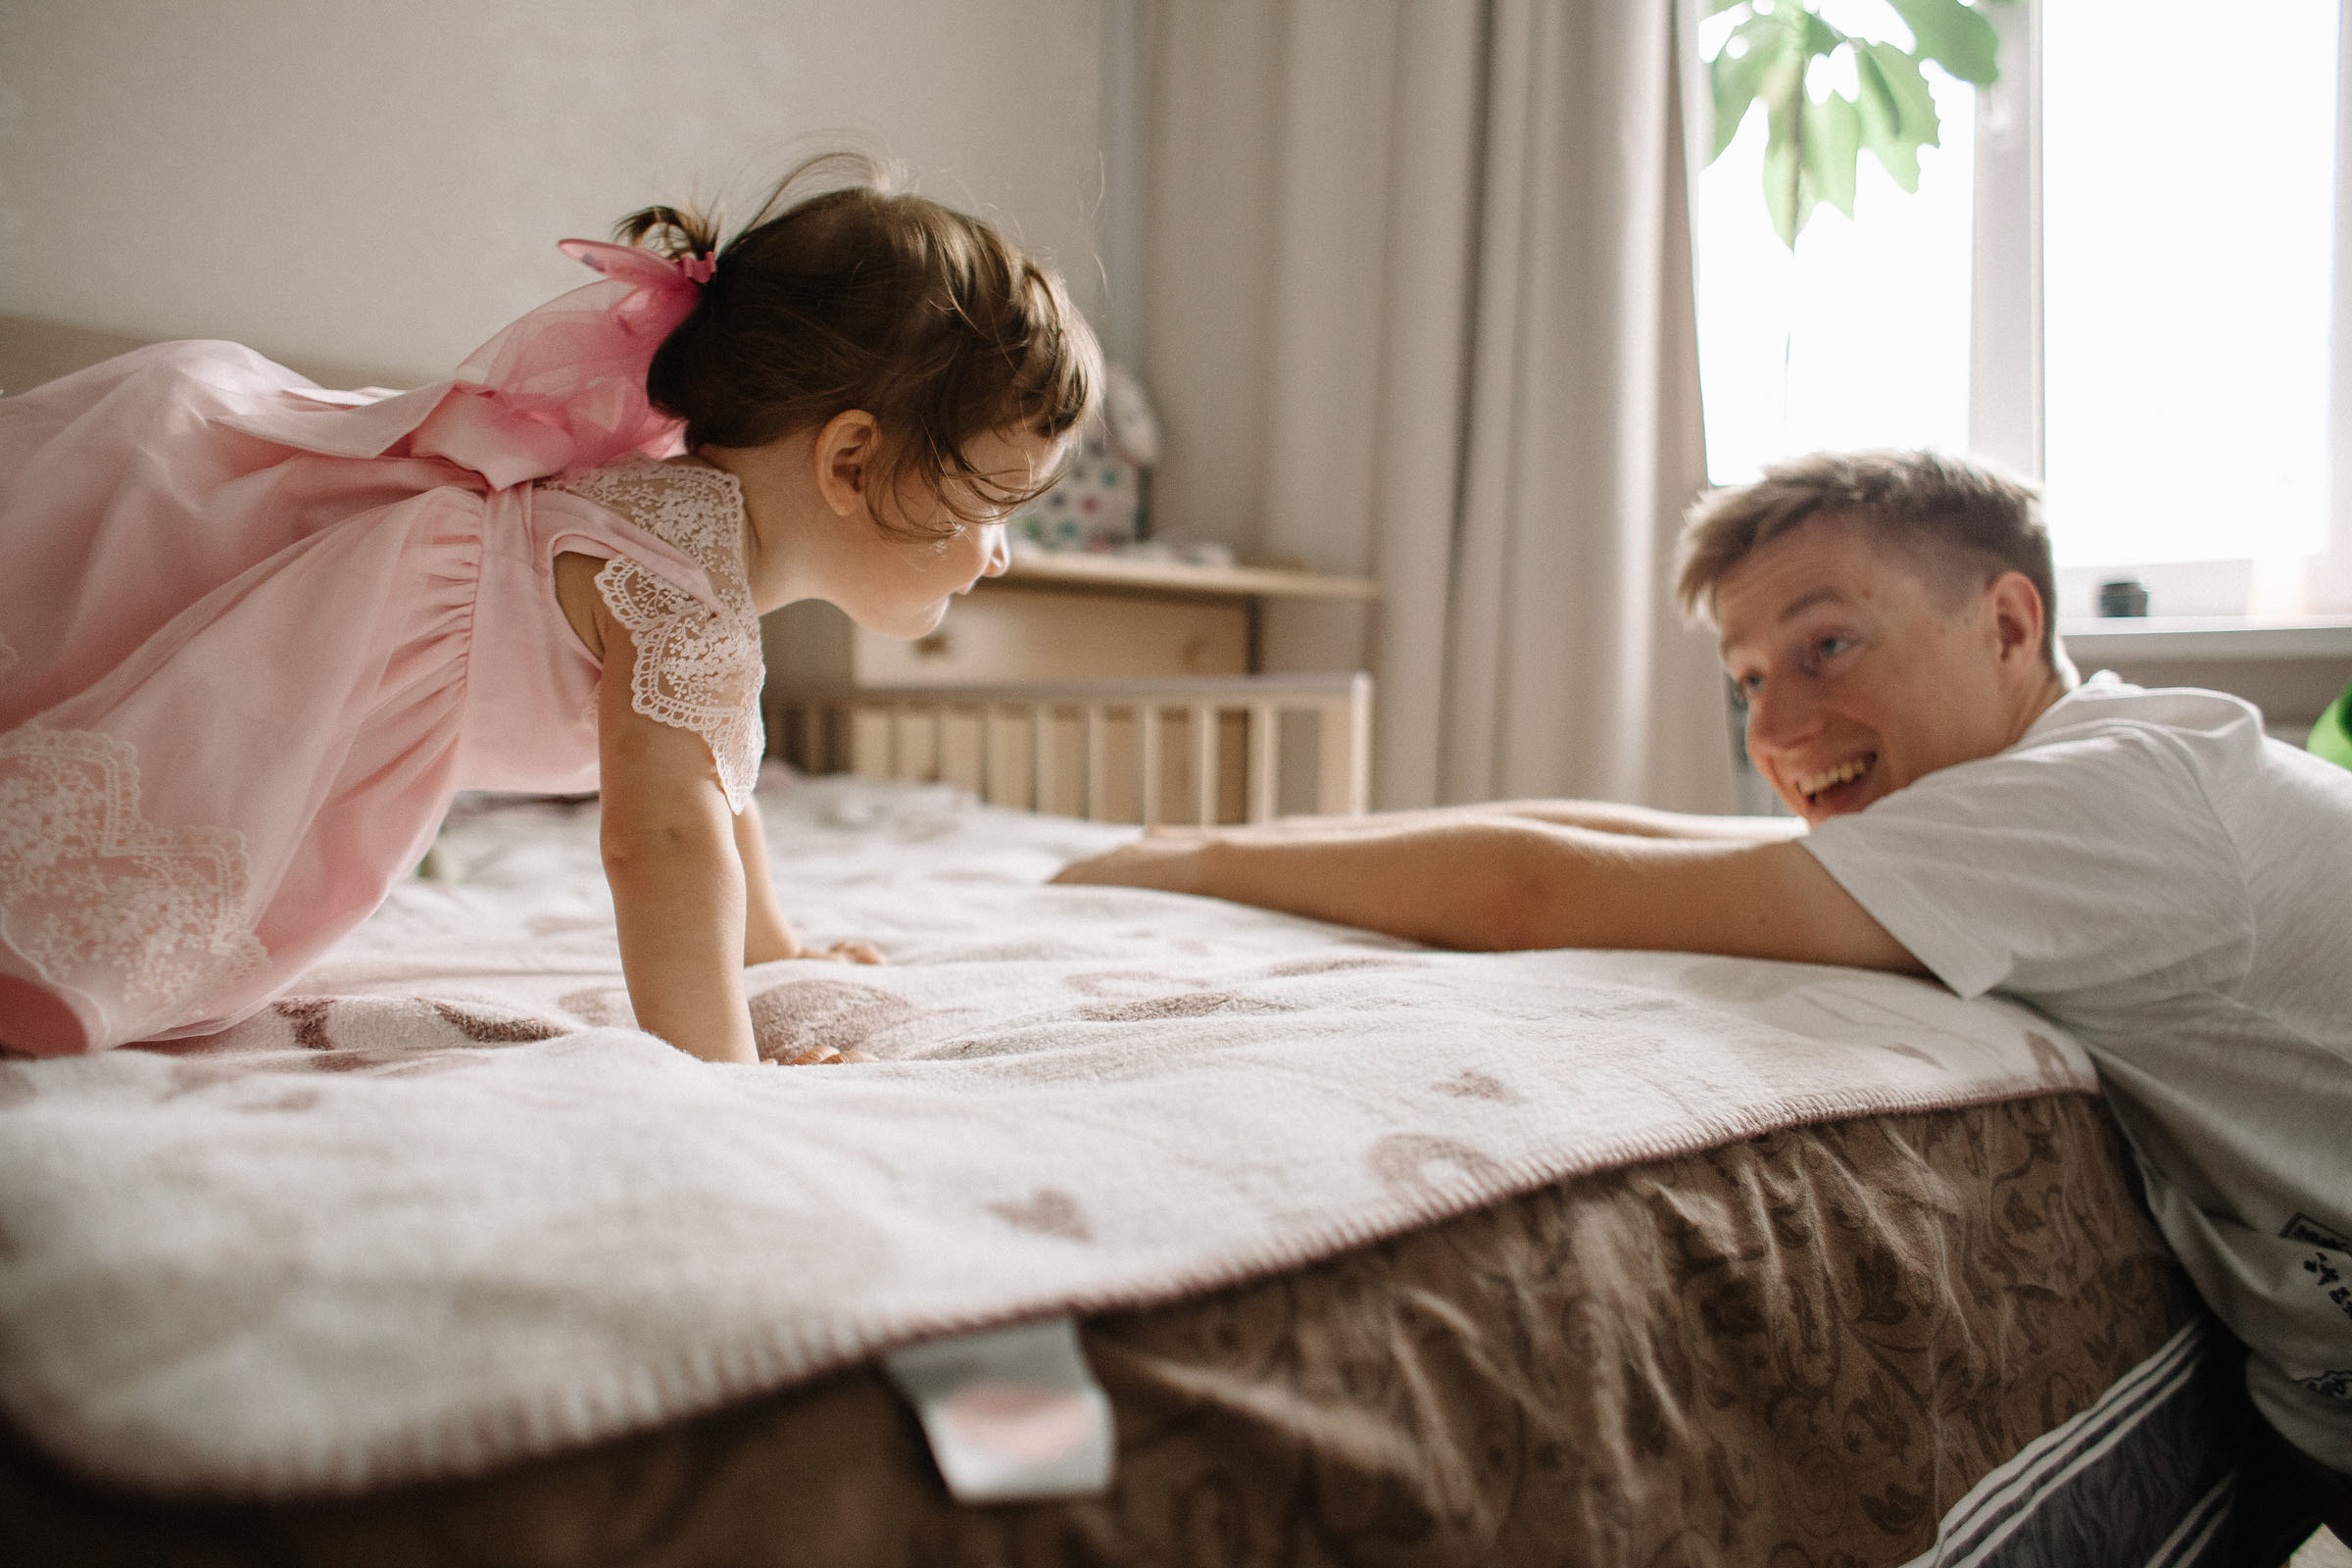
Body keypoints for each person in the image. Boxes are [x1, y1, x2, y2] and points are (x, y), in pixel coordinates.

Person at [1056, 448, 2352, 1537]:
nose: (1774, 734)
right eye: (1749, 682)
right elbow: (1647, 838)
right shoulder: (2094, 771)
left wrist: (1199, 862)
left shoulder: (2108, 800)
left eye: (1827, 646)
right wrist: (1221, 846)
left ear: (2008, 625)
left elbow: (1534, 894)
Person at [0, 154, 1100, 1065]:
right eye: (993, 505)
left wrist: (773, 949)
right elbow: (664, 842)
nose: (1001, 554)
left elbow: (720, 788)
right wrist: (724, 1069)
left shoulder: (697, 547)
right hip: (297, 652)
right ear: (851, 462)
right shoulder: (686, 580)